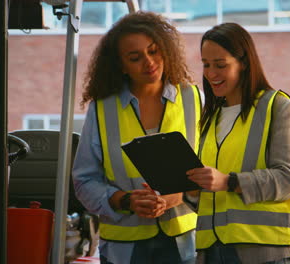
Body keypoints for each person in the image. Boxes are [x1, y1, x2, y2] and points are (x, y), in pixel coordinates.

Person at [72, 11, 203, 264]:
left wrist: (183, 194)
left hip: (184, 242)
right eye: (135, 57)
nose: (149, 62)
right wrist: (126, 200)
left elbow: (215, 169)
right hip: (124, 247)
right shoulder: (102, 109)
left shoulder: (194, 98)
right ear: (121, 65)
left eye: (153, 51)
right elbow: (84, 181)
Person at [185, 23, 290, 264]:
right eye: (206, 65)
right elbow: (211, 193)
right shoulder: (211, 117)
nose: (211, 73)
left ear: (244, 63)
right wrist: (192, 191)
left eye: (220, 65)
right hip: (211, 252)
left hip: (264, 252)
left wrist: (229, 181)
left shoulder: (279, 108)